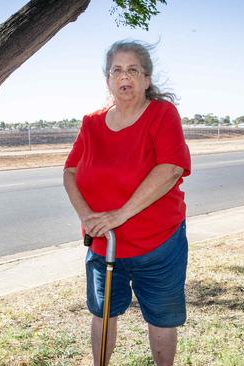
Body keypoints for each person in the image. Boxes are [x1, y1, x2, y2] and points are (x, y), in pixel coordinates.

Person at [63, 40, 191, 366]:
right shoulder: (91, 123)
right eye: (117, 70)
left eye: (133, 69)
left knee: (161, 318)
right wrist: (88, 216)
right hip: (103, 244)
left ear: (146, 79)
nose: (125, 76)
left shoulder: (162, 115)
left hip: (158, 244)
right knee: (103, 313)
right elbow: (70, 171)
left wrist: (119, 215)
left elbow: (171, 168)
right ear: (108, 80)